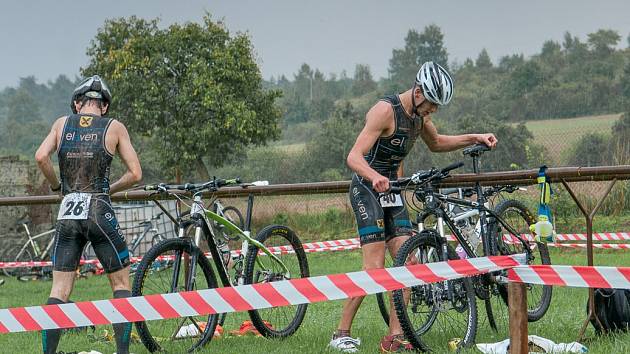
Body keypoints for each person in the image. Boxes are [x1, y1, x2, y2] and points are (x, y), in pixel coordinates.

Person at [329, 62, 498, 353]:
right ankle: (341, 333)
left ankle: (395, 337)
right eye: (431, 106)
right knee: (374, 268)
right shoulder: (385, 110)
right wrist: (375, 176)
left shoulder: (418, 117)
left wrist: (475, 137)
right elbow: (353, 157)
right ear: (418, 92)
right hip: (366, 188)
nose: (432, 113)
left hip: (392, 190)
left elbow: (437, 143)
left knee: (409, 264)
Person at [35, 75, 142, 354]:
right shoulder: (114, 127)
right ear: (104, 106)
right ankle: (122, 352)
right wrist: (110, 190)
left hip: (68, 210)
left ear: (76, 103)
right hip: (99, 209)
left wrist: (58, 186)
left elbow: (40, 157)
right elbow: (136, 174)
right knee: (120, 284)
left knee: (59, 290)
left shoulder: (61, 124)